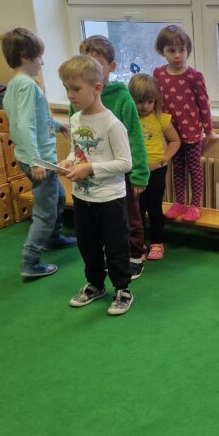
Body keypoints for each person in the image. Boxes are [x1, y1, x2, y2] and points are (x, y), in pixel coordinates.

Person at [58, 55, 134, 316]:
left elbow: (125, 163)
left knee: (115, 246)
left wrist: (90, 168)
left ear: (97, 88)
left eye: (76, 89)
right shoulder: (76, 119)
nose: (70, 95)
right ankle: (95, 285)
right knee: (87, 245)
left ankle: (122, 289)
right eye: (66, 88)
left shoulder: (112, 124)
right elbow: (76, 151)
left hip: (110, 198)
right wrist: (68, 162)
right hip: (82, 197)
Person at [1, 27, 74, 280]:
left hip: (29, 156)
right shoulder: (27, 86)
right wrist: (36, 161)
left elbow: (35, 117)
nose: (42, 62)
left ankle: (53, 238)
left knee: (58, 196)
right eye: (39, 57)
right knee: (46, 211)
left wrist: (57, 124)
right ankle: (30, 262)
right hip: (38, 159)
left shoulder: (13, 85)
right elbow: (24, 125)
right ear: (25, 57)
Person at [77, 35, 149, 279]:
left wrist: (139, 174)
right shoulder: (79, 98)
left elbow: (135, 137)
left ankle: (135, 255)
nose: (92, 71)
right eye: (87, 64)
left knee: (130, 215)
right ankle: (116, 255)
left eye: (98, 64)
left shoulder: (121, 97)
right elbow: (78, 136)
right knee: (107, 222)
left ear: (111, 66)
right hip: (95, 174)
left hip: (122, 171)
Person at [153, 25, 216, 224]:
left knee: (194, 169)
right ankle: (179, 203)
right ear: (162, 51)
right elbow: (155, 101)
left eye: (182, 50)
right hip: (171, 134)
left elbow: (204, 104)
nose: (177, 55)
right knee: (177, 168)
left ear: (188, 50)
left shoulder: (194, 77)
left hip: (192, 133)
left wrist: (209, 130)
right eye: (171, 50)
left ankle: (195, 205)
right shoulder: (158, 74)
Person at [127, 73, 181, 261]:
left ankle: (157, 242)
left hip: (157, 171)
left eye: (150, 101)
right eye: (140, 101)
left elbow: (175, 141)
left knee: (154, 207)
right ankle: (138, 244)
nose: (145, 106)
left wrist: (164, 160)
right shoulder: (128, 119)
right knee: (137, 209)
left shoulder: (161, 119)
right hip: (135, 172)